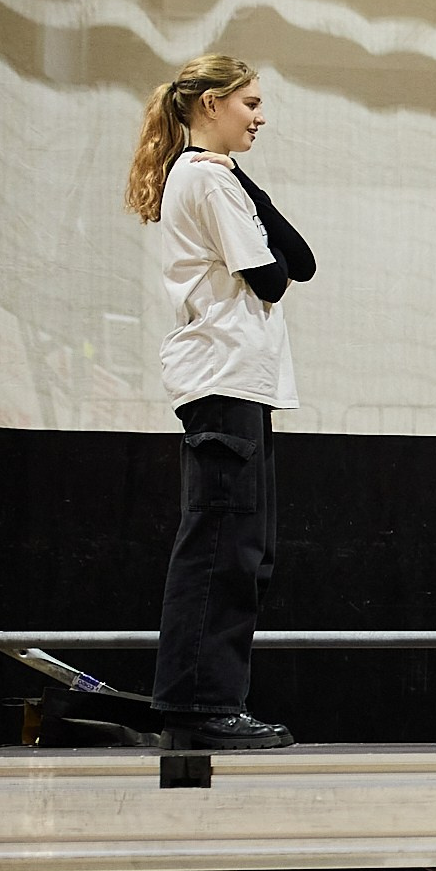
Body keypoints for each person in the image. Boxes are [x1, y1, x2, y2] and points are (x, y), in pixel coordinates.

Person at [124, 53, 316, 750]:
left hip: (240, 384)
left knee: (247, 547)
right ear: (209, 105)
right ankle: (199, 705)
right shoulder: (204, 180)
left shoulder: (220, 177)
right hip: (222, 379)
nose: (260, 117)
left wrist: (246, 180)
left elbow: (303, 258)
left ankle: (208, 700)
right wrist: (231, 177)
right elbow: (272, 277)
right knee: (220, 546)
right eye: (250, 104)